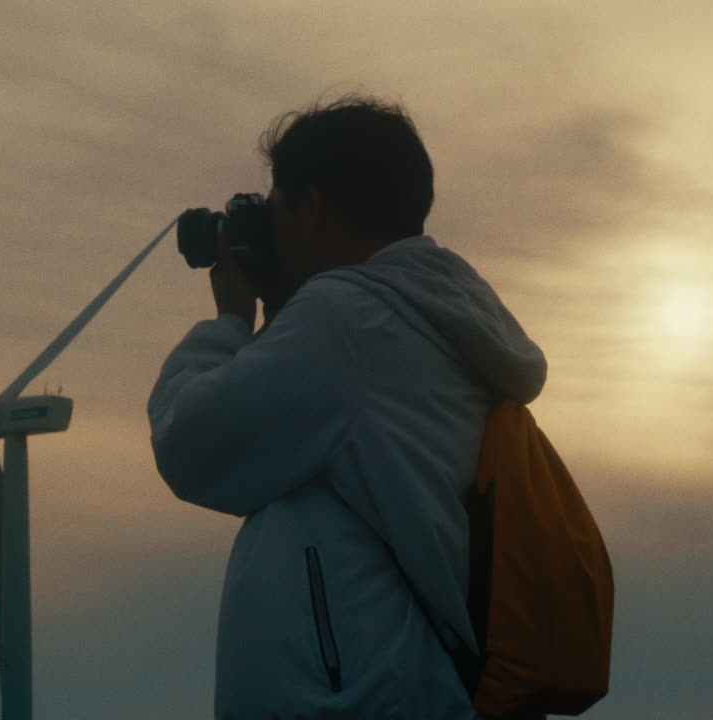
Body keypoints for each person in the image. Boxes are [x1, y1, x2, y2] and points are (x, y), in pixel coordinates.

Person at [147, 95, 547, 719]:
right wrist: (285, 311)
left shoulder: (348, 319)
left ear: (312, 205)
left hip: (360, 695)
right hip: (404, 684)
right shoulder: (420, 315)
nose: (267, 228)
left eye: (274, 207)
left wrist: (229, 319)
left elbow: (190, 442)